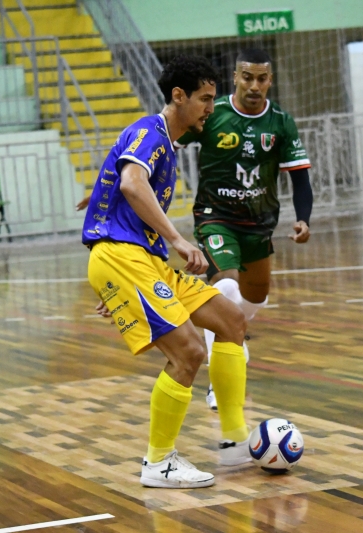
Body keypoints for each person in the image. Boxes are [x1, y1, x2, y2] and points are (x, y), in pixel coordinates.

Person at [80, 55, 253, 489]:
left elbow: (120, 183)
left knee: (231, 320)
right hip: (125, 258)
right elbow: (131, 184)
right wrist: (178, 240)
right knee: (189, 352)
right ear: (178, 96)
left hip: (138, 262)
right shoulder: (150, 133)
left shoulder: (162, 145)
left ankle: (235, 441)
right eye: (205, 99)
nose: (210, 109)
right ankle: (159, 463)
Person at [174, 49, 313, 410]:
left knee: (254, 299)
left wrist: (303, 218)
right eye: (247, 77)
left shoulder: (280, 121)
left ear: (270, 80)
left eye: (261, 78)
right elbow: (166, 138)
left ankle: (233, 330)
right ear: (234, 78)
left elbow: (300, 177)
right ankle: (219, 378)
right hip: (215, 217)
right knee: (226, 288)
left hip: (259, 225)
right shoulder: (212, 114)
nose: (254, 85)